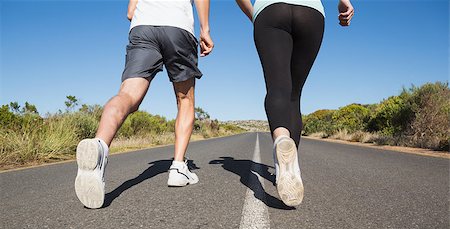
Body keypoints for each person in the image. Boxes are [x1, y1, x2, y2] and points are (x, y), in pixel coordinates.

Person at [75, 0, 214, 209]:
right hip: (178, 26)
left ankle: (99, 145)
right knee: (185, 100)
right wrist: (205, 29)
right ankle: (178, 167)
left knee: (127, 95)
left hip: (143, 28)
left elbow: (130, 12)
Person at [235, 0, 354, 206]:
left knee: (277, 87)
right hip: (310, 12)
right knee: (294, 95)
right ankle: (291, 167)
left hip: (270, 10)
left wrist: (255, 14)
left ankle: (281, 139)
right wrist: (344, 2)